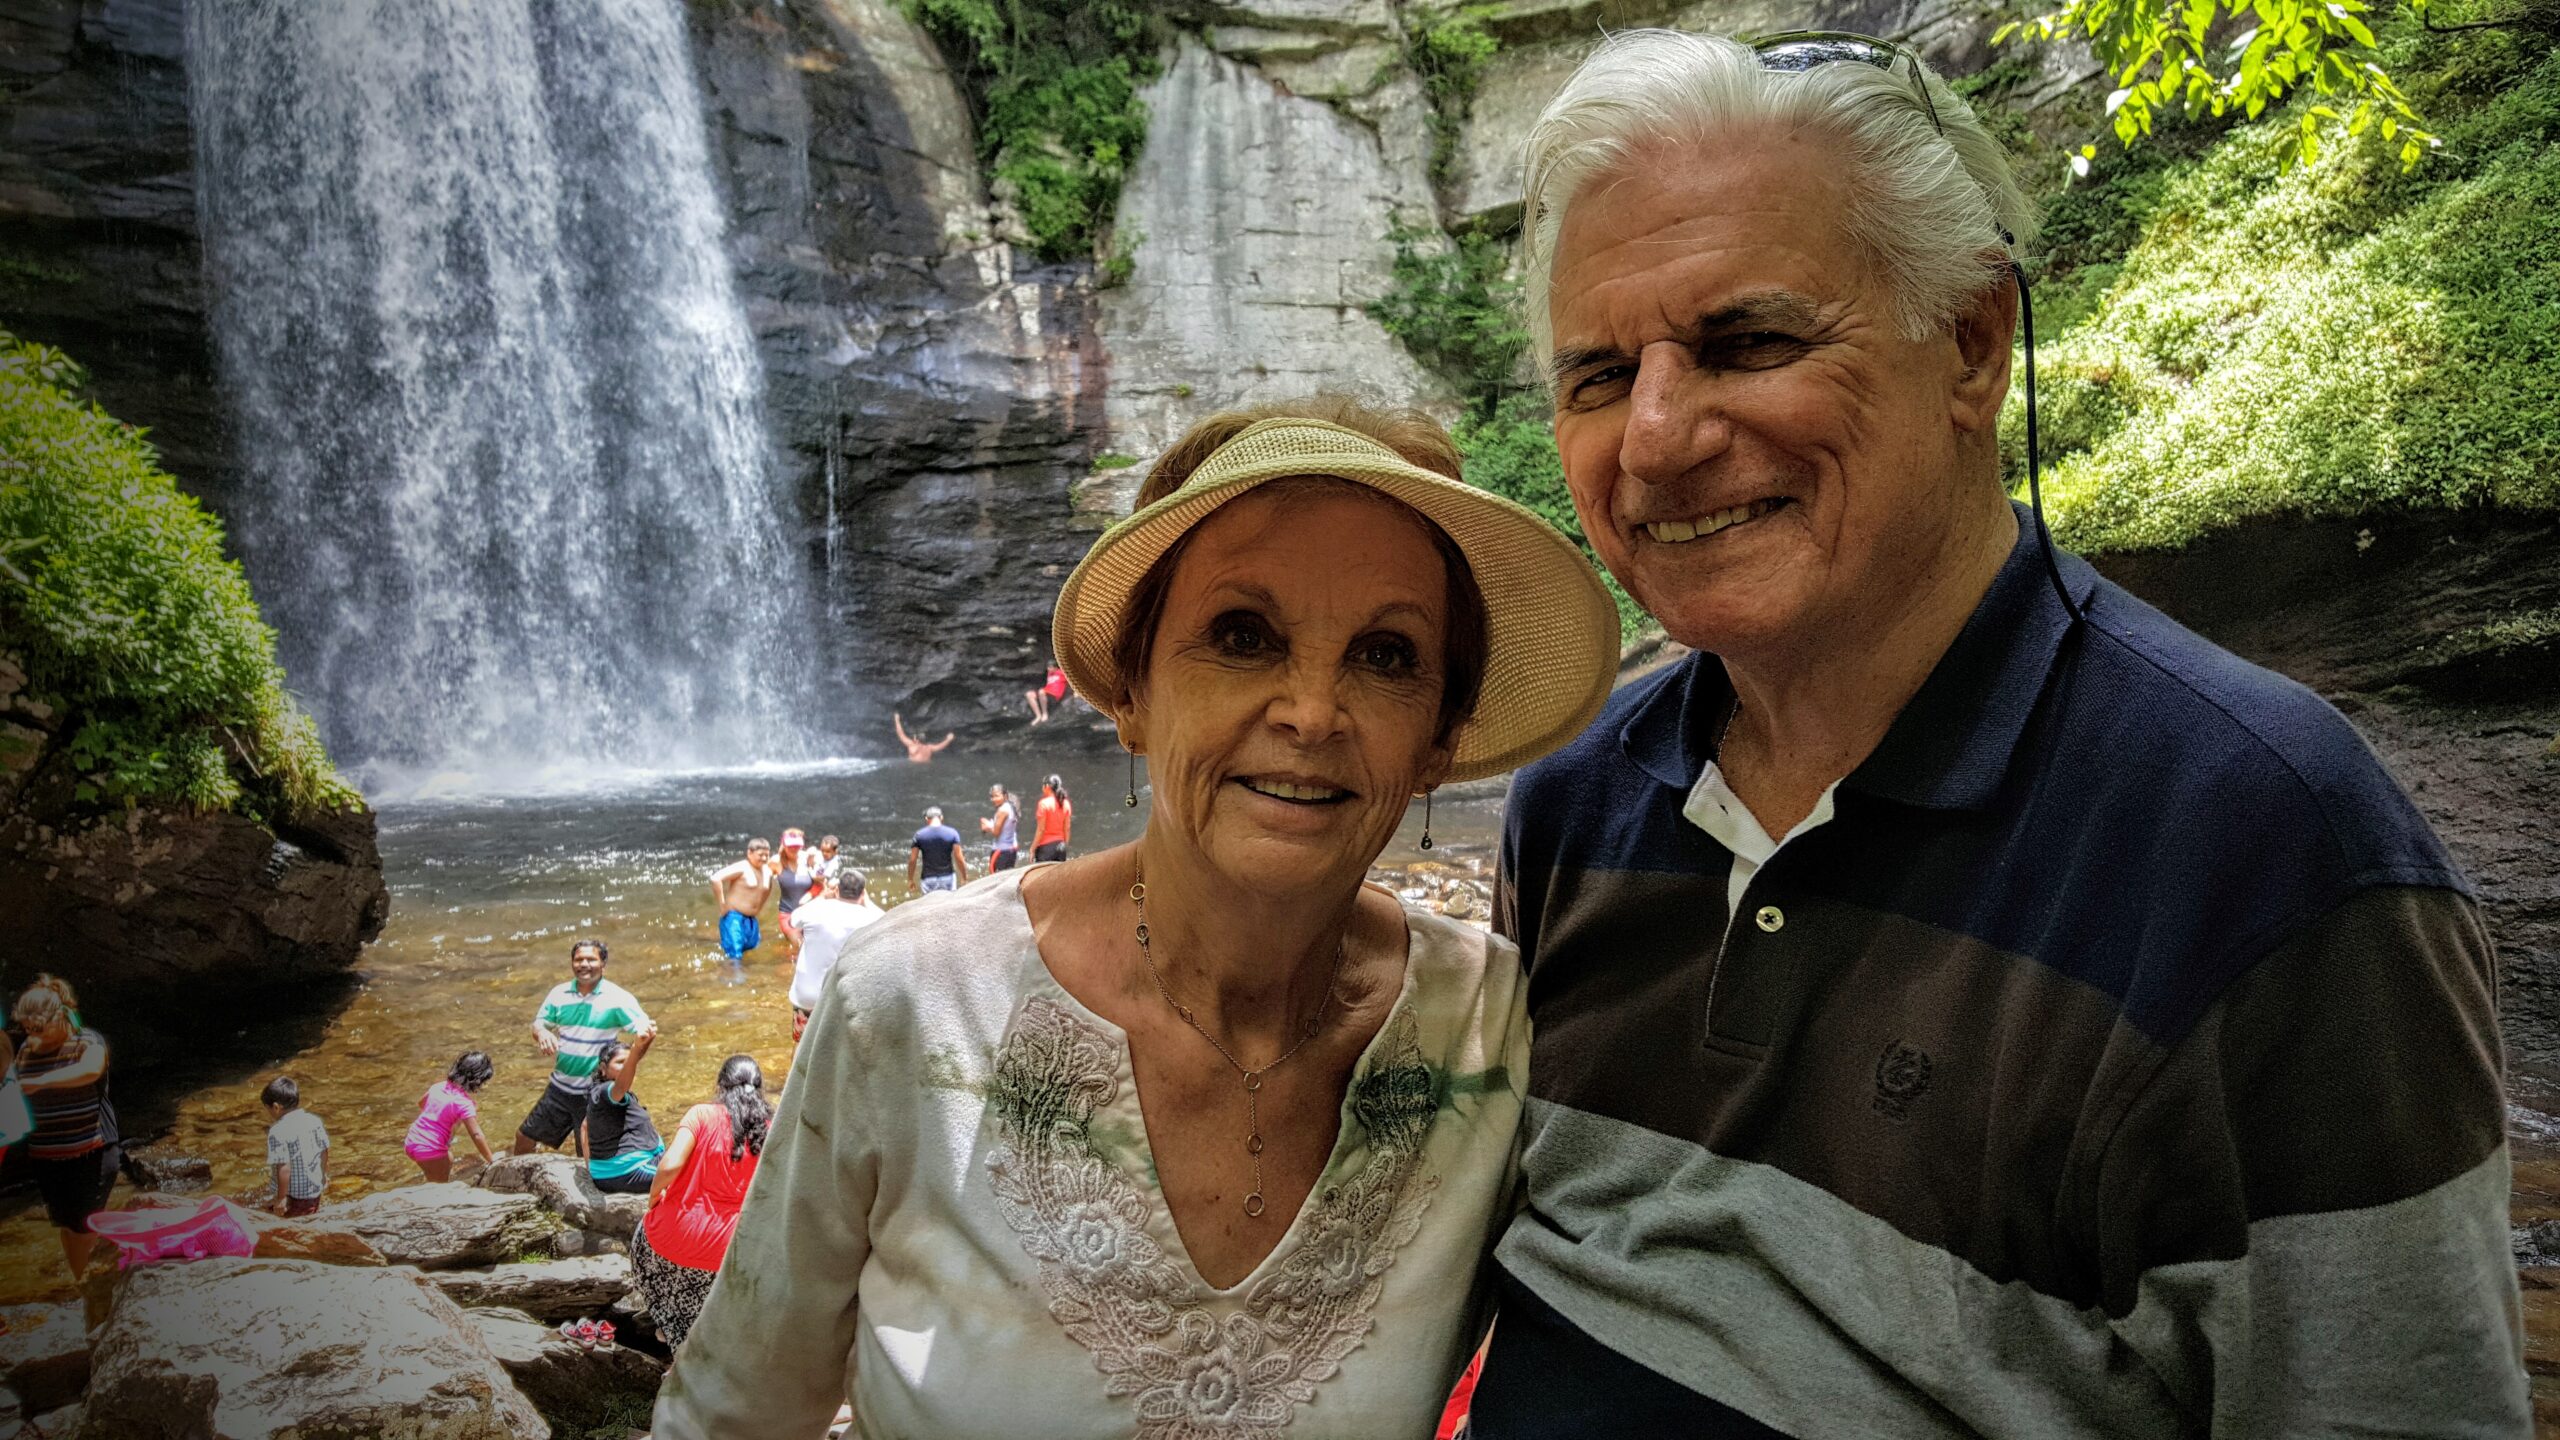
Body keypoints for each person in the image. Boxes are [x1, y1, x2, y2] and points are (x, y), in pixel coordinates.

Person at [1470, 30, 2525, 1437]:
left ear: (1972, 345)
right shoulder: (1574, 810)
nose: (1655, 436)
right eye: (1598, 374)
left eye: (1750, 341)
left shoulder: (2270, 853)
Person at [652, 395, 1619, 1439]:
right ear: (1129, 694)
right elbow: (731, 1413)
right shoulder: (915, 998)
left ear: (1438, 737)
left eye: (1386, 655)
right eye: (1242, 635)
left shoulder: (1491, 1029)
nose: (1309, 710)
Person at [635, 1054, 771, 1350]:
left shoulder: (700, 1114)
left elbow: (670, 1165)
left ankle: (670, 1328)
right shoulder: (771, 1128)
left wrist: (655, 1196)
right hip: (732, 1250)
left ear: (721, 1084)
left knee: (642, 1240)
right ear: (758, 1087)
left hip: (675, 1236)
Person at [14, 978, 117, 1277]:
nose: (33, 1035)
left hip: (92, 1151)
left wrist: (41, 1081)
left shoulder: (88, 1041)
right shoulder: (26, 1052)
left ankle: (88, 1283)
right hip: (47, 1157)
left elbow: (89, 1070)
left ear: (59, 1017)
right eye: (27, 1029)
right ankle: (81, 1282)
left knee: (83, 1225)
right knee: (66, 1224)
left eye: (39, 1028)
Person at [515, 939, 653, 1155]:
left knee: (588, 1153)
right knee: (524, 1138)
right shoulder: (559, 994)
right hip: (559, 1088)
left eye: (591, 959)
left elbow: (646, 1032)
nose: (584, 964)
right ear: (572, 963)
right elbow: (539, 1023)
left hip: (594, 1094)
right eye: (579, 959)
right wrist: (542, 1032)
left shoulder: (617, 999)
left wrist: (629, 1065)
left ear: (603, 964)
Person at [786, 871, 883, 1044]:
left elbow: (792, 920)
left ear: (837, 890)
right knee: (839, 1053)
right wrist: (867, 901)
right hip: (842, 1001)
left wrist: (823, 895)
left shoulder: (816, 910)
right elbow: (888, 920)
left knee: (802, 1047)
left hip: (807, 997)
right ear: (862, 894)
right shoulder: (869, 917)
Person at [582, 1025, 665, 1195]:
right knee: (691, 1174)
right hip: (626, 1171)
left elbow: (585, 1126)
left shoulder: (600, 1096)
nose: (627, 1066)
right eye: (620, 1063)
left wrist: (646, 1043)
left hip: (632, 1166)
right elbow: (621, 1086)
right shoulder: (606, 1091)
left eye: (628, 1063)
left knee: (694, 1156)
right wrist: (635, 1049)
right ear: (603, 1069)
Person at [405, 1051, 497, 1182]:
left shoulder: (438, 1087)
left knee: (448, 1159)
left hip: (412, 1141)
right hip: (430, 1149)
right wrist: (491, 1159)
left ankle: (429, 1175)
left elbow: (421, 1103)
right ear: (478, 1080)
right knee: (439, 1186)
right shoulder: (464, 1103)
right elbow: (476, 1135)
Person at [261, 1076, 329, 1217]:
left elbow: (284, 1167)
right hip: (312, 1192)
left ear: (276, 1107)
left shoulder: (278, 1131)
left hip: (294, 1196)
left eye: (268, 1110)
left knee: (283, 1224)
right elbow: (324, 1151)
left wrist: (281, 1198)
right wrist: (322, 1176)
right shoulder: (314, 1121)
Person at [709, 838, 778, 963]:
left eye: (766, 855)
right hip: (733, 917)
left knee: (751, 949)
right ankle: (734, 979)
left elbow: (767, 888)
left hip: (751, 919)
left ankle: (745, 975)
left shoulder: (767, 871)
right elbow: (715, 878)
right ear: (749, 853)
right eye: (760, 855)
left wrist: (760, 907)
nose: (763, 858)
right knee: (735, 954)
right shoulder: (742, 867)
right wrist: (722, 905)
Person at [772, 829, 818, 961]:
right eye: (790, 846)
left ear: (802, 845)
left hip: (810, 913)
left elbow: (821, 884)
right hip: (788, 914)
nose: (794, 849)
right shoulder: (776, 861)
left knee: (815, 948)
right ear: (783, 844)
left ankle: (786, 956)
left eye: (797, 846)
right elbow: (761, 881)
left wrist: (810, 894)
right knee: (801, 946)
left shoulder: (808, 859)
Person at [907, 805, 968, 895]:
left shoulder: (919, 835)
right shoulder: (952, 833)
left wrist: (910, 879)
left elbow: (912, 860)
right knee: (949, 905)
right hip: (948, 877)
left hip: (928, 879)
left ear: (927, 819)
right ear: (941, 817)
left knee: (929, 907)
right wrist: (964, 876)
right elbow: (959, 857)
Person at [979, 783, 1022, 871]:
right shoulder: (1012, 807)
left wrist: (988, 826)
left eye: (997, 796)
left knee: (996, 880)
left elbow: (996, 833)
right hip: (1011, 850)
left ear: (1005, 796)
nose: (993, 799)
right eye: (992, 796)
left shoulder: (1002, 811)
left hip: (1001, 852)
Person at [1031, 773, 1072, 863]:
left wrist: (1032, 848)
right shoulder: (1066, 803)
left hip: (1046, 848)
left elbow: (1041, 829)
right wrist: (1065, 845)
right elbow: (1067, 828)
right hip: (1061, 846)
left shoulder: (1043, 803)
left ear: (1047, 786)